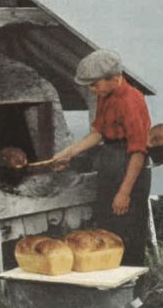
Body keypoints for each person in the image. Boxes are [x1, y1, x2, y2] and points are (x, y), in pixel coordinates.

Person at [50, 49, 152, 265]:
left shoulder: (132, 101)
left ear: (115, 79)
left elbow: (138, 152)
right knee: (107, 226)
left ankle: (133, 293)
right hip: (110, 160)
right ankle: (110, 283)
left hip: (130, 168)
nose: (92, 90)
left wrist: (124, 193)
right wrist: (68, 153)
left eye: (94, 84)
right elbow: (98, 133)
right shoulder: (106, 96)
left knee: (129, 231)